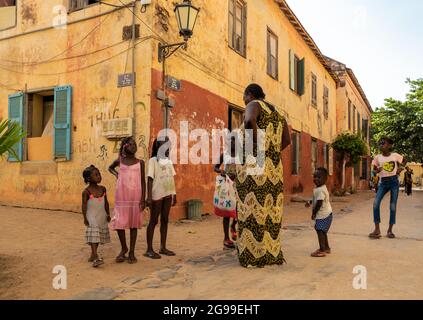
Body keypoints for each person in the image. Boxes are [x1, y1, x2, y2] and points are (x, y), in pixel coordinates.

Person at [235, 83, 291, 268]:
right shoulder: (278, 113)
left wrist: (256, 150)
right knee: (270, 212)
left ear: (249, 94)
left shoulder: (254, 105)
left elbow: (250, 121)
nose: (244, 102)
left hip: (255, 168)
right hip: (274, 170)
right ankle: (270, 254)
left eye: (244, 98)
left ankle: (253, 256)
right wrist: (270, 152)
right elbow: (287, 140)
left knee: (251, 210)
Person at [109, 137, 146, 264]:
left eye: (134, 144)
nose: (133, 146)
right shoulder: (120, 160)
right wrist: (117, 174)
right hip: (121, 196)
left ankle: (131, 252)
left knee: (133, 224)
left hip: (135, 197)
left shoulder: (140, 162)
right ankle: (123, 247)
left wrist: (143, 199)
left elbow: (143, 181)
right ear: (124, 146)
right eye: (130, 144)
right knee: (119, 222)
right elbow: (110, 168)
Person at [145, 136, 177, 259]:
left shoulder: (169, 161)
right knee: (153, 220)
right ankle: (149, 249)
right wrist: (148, 197)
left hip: (168, 193)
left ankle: (163, 247)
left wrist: (174, 194)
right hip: (157, 194)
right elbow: (149, 179)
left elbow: (171, 177)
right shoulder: (153, 161)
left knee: (165, 219)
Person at [369, 137, 407, 239]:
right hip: (383, 183)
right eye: (380, 143)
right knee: (376, 204)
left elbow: (404, 160)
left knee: (392, 206)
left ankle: (390, 230)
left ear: (390, 145)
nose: (381, 145)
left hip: (394, 182)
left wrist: (400, 168)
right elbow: (373, 171)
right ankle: (377, 230)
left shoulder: (395, 156)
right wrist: (376, 171)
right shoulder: (377, 158)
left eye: (383, 143)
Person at [81, 165, 111, 268]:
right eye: (96, 175)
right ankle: (95, 257)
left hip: (101, 215)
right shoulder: (86, 192)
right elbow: (84, 205)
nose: (99, 176)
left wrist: (108, 214)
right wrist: (85, 217)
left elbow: (106, 203)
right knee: (94, 232)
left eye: (99, 174)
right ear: (88, 179)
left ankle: (93, 254)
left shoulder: (103, 189)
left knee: (97, 235)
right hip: (91, 215)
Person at [214, 135, 239, 249]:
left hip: (239, 186)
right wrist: (222, 171)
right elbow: (215, 167)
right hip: (227, 186)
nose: (232, 143)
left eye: (234, 140)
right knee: (227, 212)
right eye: (230, 141)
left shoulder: (241, 155)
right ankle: (226, 238)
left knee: (239, 210)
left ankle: (233, 226)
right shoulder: (225, 154)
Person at [306, 168, 333, 258]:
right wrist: (310, 202)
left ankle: (322, 250)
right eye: (315, 177)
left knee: (320, 230)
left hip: (323, 215)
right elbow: (315, 199)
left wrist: (314, 213)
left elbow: (319, 203)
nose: (316, 179)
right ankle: (326, 248)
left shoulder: (320, 190)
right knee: (322, 231)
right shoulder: (319, 188)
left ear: (325, 179)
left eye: (319, 177)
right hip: (327, 214)